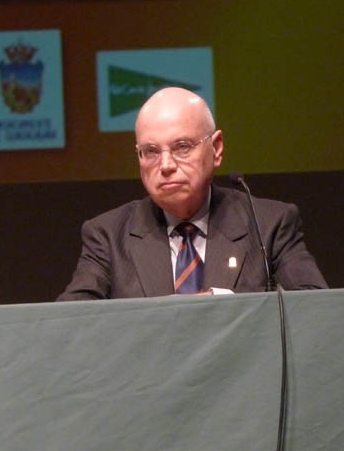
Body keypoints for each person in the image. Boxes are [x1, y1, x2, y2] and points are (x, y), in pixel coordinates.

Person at [57, 87, 327, 300]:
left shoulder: (269, 225)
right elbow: (72, 322)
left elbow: (315, 306)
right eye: (150, 151)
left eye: (182, 147)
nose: (166, 166)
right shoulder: (107, 236)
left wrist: (220, 303)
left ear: (217, 148)